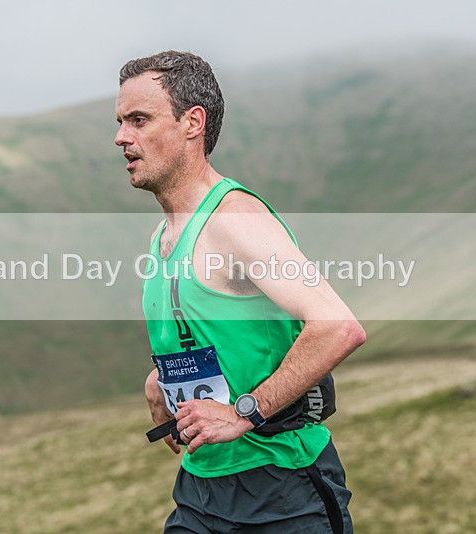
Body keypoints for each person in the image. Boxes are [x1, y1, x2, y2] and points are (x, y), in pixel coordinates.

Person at [115, 51, 366, 533]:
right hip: (201, 486)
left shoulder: (234, 219)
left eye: (139, 120)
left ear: (193, 123)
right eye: (121, 122)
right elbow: (210, 335)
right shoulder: (164, 236)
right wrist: (159, 381)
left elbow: (338, 326)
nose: (122, 137)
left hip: (282, 486)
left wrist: (243, 412)